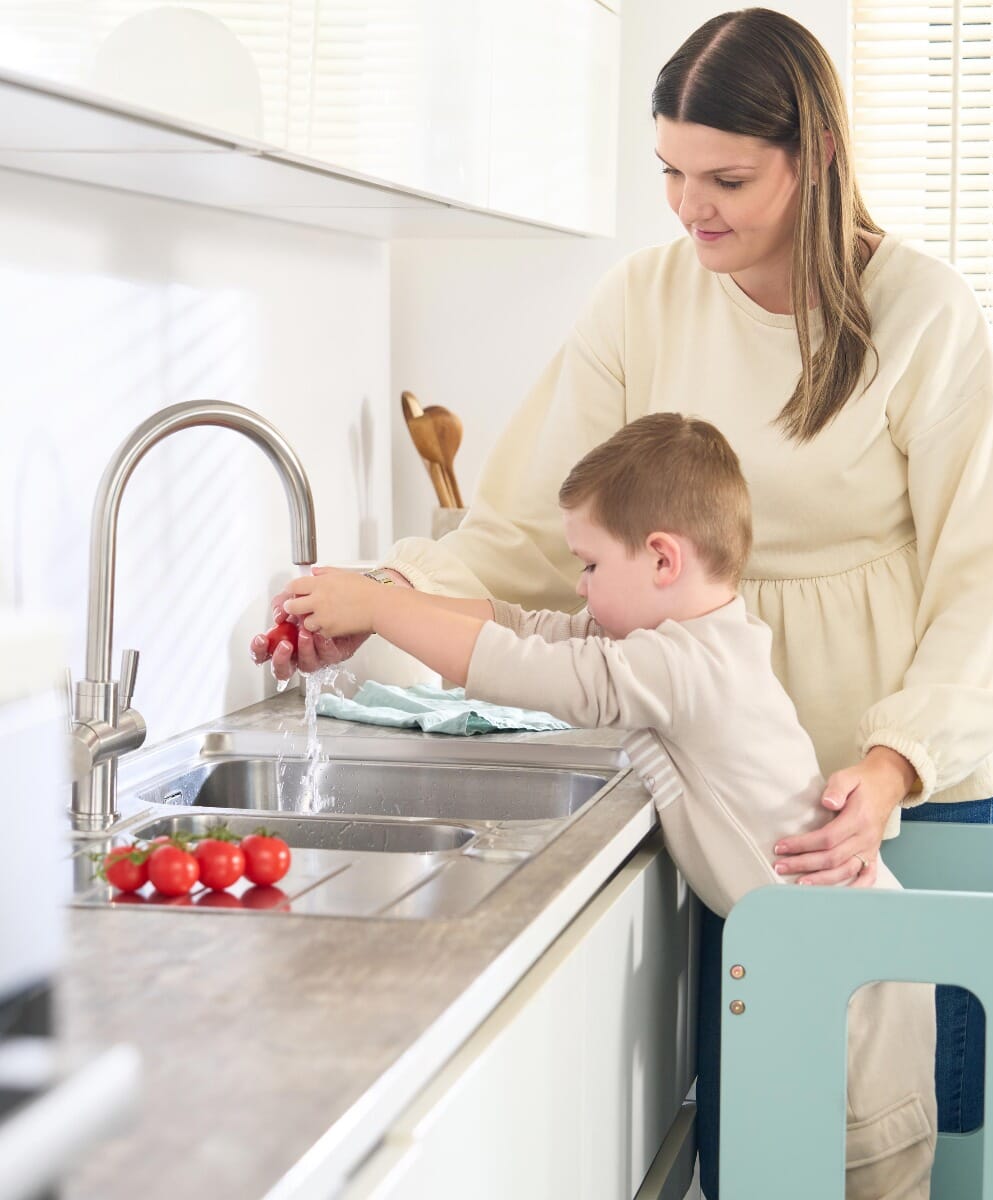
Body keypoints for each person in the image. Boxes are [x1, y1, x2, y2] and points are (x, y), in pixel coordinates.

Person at [252, 5, 993, 1189]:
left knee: (928, 1151)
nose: (691, 208)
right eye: (670, 171)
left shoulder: (925, 314)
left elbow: (987, 585)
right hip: (756, 806)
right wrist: (378, 595)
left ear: (818, 154)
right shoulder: (644, 301)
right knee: (776, 1150)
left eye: (726, 176)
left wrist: (886, 773)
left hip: (923, 787)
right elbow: (527, 529)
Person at [280, 413, 937, 1200]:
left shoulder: (687, 665)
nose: (580, 585)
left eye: (589, 564)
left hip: (853, 1000)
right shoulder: (699, 639)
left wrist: (382, 608)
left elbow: (536, 672)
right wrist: (371, 603)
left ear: (662, 558)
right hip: (831, 969)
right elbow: (530, 629)